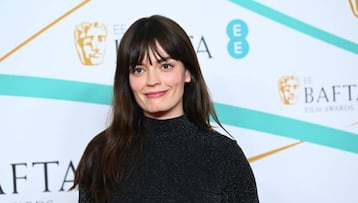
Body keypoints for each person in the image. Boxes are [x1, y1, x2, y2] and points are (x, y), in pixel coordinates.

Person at [72, 15, 259, 203]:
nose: (152, 81)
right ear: (127, 79)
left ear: (188, 73)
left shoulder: (224, 155)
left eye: (166, 66)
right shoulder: (102, 154)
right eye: (139, 69)